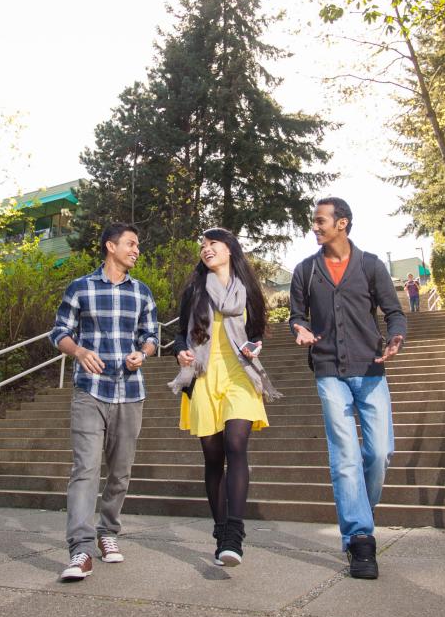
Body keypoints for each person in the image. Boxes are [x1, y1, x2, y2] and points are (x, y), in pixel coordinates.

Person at [289, 197, 407, 580]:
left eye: (321, 220)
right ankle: (360, 538)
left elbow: (394, 312)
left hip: (371, 370)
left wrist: (396, 338)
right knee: (345, 457)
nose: (315, 226)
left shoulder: (371, 265)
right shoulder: (305, 271)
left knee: (379, 453)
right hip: (328, 371)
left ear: (342, 223)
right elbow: (296, 314)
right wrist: (299, 328)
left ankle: (360, 511)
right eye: (314, 221)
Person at [50, 223, 160, 581]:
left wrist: (142, 353)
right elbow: (60, 333)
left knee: (120, 472)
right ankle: (80, 549)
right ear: (110, 247)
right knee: (84, 469)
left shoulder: (142, 292)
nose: (136, 250)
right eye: (131, 243)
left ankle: (108, 532)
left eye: (137, 245)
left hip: (130, 392)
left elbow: (151, 336)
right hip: (89, 391)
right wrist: (79, 351)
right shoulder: (80, 288)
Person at [168, 228, 281, 566]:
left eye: (212, 243)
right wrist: (181, 353)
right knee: (213, 457)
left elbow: (258, 329)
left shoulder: (248, 289)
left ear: (230, 248)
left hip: (240, 375)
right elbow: (178, 335)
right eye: (202, 245)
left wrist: (256, 343)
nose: (206, 249)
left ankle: (234, 532)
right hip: (203, 375)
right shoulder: (194, 290)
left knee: (236, 445)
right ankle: (220, 529)